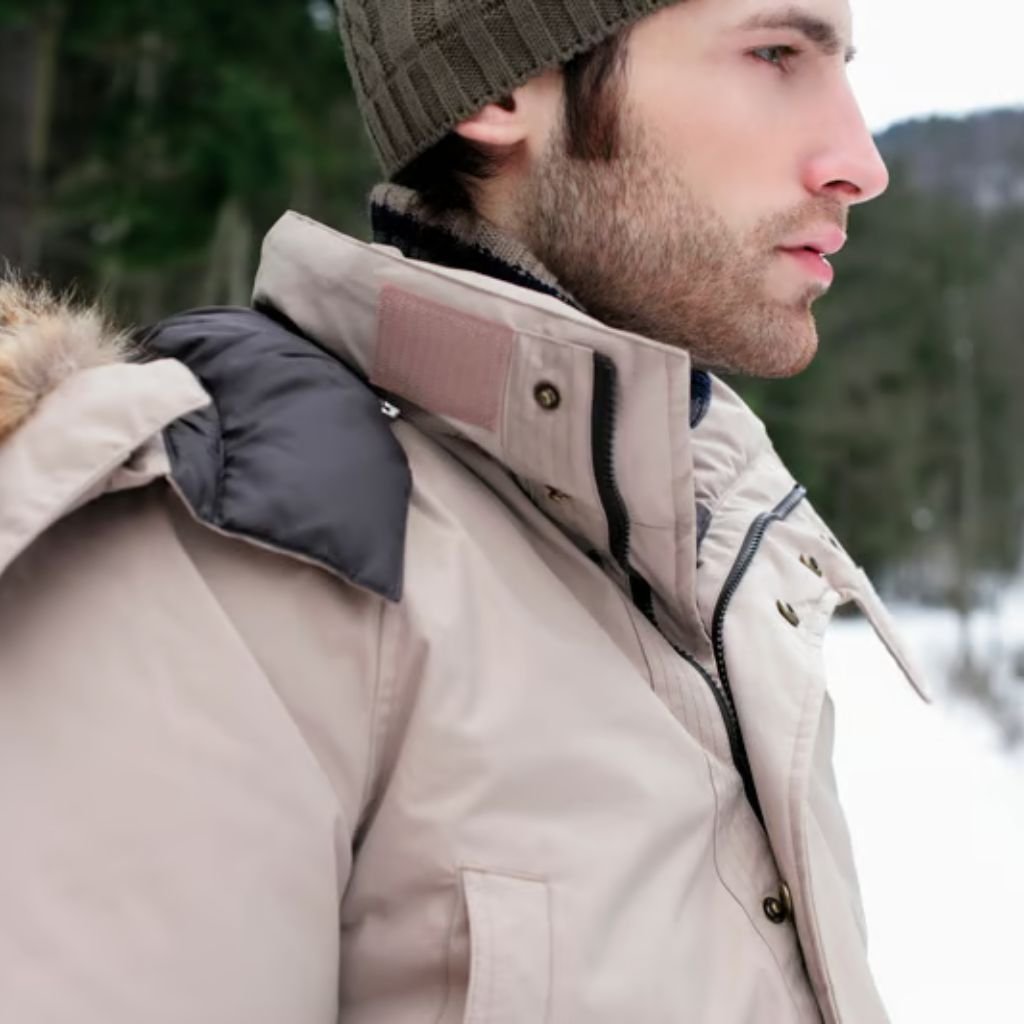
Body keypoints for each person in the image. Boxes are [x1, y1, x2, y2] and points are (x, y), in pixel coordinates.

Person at [0, 0, 929, 1021]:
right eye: (774, 54)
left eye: (839, 62)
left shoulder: (714, 558)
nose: (859, 161)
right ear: (497, 90)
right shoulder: (226, 560)